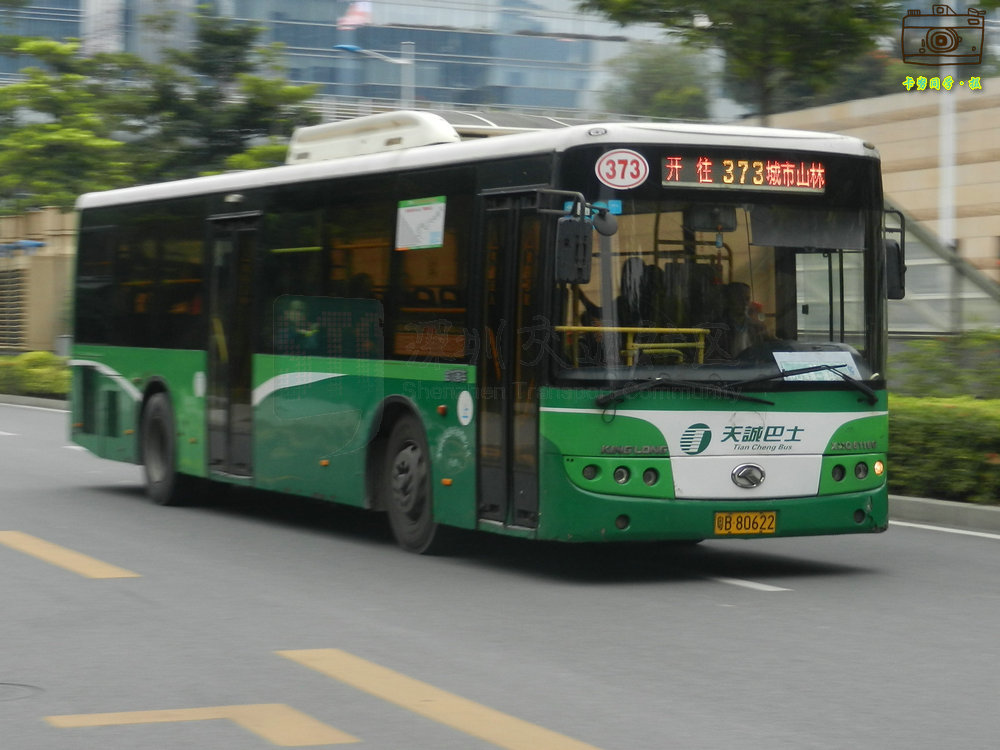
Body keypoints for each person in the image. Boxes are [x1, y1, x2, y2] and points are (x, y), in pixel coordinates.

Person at [708, 282, 770, 359]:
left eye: (747, 299)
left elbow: (764, 353)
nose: (744, 303)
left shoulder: (756, 327)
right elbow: (715, 359)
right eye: (739, 299)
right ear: (729, 300)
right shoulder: (718, 328)